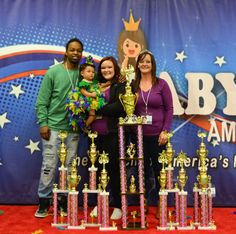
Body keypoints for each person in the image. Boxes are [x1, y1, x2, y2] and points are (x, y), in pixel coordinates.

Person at [34, 38, 83, 218]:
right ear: (66, 52)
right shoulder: (53, 72)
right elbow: (41, 102)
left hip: (73, 130)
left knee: (70, 167)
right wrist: (43, 123)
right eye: (72, 50)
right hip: (53, 128)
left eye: (79, 50)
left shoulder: (84, 74)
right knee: (49, 165)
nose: (75, 53)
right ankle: (44, 202)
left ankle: (64, 202)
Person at [132, 50, 173, 207]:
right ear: (137, 65)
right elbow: (130, 110)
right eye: (141, 61)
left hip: (158, 137)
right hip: (139, 137)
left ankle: (160, 203)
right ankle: (144, 202)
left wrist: (165, 131)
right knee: (141, 172)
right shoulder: (133, 85)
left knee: (159, 172)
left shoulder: (161, 84)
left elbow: (169, 109)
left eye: (147, 61)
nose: (144, 64)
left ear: (152, 64)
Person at [89, 56, 126, 220]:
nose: (106, 70)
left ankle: (118, 205)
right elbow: (85, 105)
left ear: (115, 68)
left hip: (113, 134)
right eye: (103, 68)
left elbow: (120, 108)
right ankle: (100, 203)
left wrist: (96, 109)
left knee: (114, 170)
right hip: (94, 136)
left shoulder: (120, 86)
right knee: (95, 170)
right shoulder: (94, 86)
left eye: (109, 67)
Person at [66, 55, 106, 132]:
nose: (91, 73)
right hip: (85, 101)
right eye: (88, 71)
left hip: (92, 101)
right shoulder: (83, 82)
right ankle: (85, 126)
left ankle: (86, 124)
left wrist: (107, 84)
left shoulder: (93, 82)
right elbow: (82, 91)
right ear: (82, 73)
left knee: (94, 114)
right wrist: (91, 94)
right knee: (92, 114)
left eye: (93, 72)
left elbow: (99, 85)